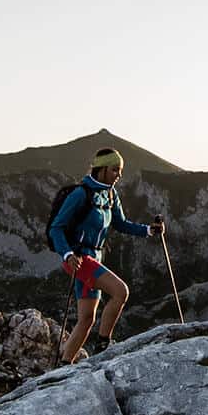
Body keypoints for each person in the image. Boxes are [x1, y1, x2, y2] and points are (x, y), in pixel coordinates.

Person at [49, 147, 162, 362]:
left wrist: (148, 230)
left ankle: (63, 365)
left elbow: (121, 224)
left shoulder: (110, 194)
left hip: (94, 258)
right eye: (114, 170)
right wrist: (67, 254)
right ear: (101, 169)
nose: (119, 175)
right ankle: (103, 345)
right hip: (79, 259)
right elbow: (56, 227)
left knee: (86, 319)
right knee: (121, 292)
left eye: (120, 171)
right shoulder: (80, 194)